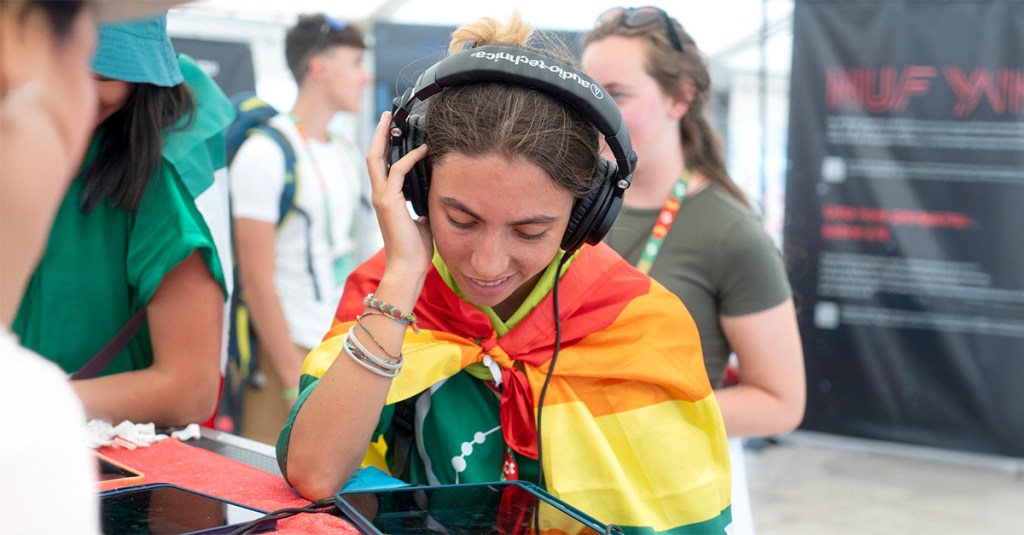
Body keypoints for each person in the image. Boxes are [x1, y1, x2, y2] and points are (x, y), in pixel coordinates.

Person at [278, 12, 732, 532]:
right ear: (416, 184)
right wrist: (404, 275)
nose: (487, 263)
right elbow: (314, 473)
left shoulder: (644, 327)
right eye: (461, 219)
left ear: (586, 215)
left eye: (530, 232)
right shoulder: (389, 291)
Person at [582, 7, 806, 533]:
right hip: (564, 481)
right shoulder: (568, 203)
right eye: (588, 91)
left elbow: (781, 402)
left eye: (616, 94)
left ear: (680, 97)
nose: (596, 113)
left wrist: (636, 415)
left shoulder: (731, 232)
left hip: (668, 495)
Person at [12, 14, 235, 428]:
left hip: (106, 463)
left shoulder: (162, 177)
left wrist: (27, 402)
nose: (72, 94)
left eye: (102, 75)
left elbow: (191, 388)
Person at [229, 14, 377, 445]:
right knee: (268, 498)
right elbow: (257, 282)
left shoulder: (348, 151)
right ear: (319, 68)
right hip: (285, 355)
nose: (364, 78)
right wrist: (292, 380)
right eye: (354, 64)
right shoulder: (265, 153)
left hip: (340, 345)